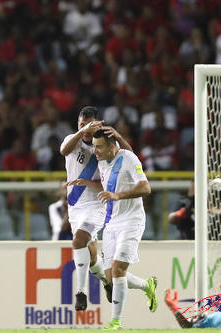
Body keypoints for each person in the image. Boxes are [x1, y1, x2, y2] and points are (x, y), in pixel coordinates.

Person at [60, 106, 131, 311]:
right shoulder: (71, 141)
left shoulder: (105, 147)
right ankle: (107, 282)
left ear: (98, 124)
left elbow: (129, 159)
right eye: (82, 125)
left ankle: (81, 292)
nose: (86, 130)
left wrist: (117, 136)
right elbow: (63, 151)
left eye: (90, 125)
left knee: (79, 240)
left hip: (98, 205)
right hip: (75, 207)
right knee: (90, 256)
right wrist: (81, 132)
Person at [92, 129, 157, 329]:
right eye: (94, 146)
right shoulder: (102, 161)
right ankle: (147, 285)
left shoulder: (128, 158)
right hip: (111, 222)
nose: (95, 151)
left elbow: (146, 188)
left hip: (131, 221)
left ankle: (115, 322)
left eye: (99, 146)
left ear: (112, 147)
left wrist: (118, 196)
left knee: (119, 269)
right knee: (110, 276)